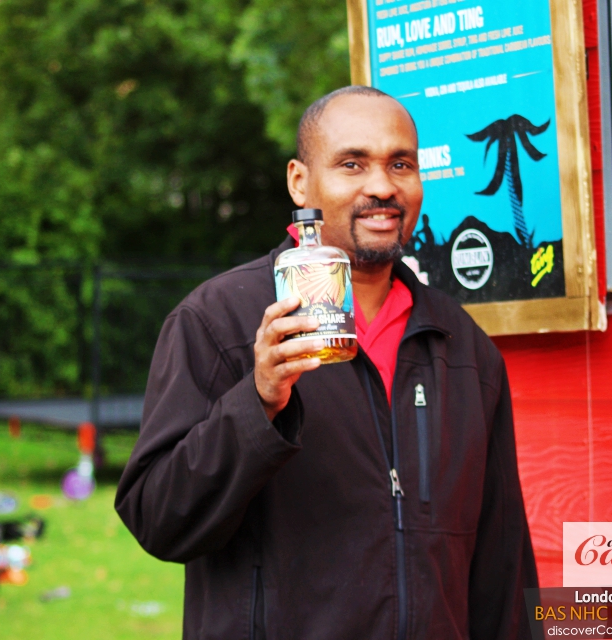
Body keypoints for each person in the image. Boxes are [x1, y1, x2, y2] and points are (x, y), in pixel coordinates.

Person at [116, 86, 539, 639]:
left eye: (401, 164)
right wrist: (257, 401)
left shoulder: (464, 350)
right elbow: (158, 519)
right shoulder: (219, 321)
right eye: (352, 164)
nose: (383, 186)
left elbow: (502, 566)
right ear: (300, 182)